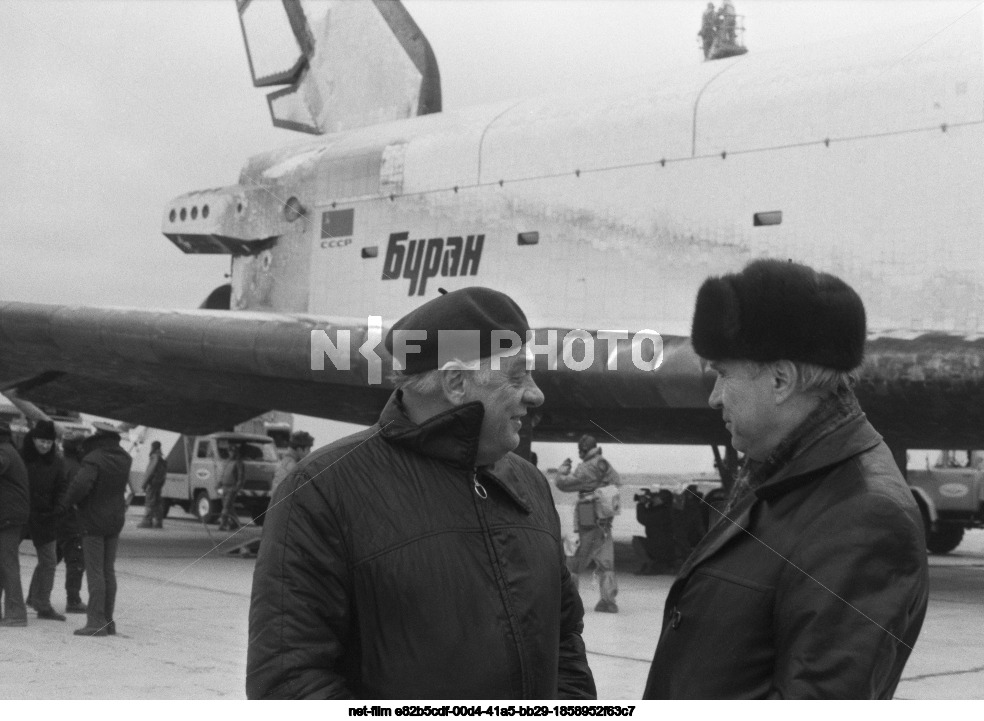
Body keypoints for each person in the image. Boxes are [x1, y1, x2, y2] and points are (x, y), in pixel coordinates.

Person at [247, 286, 596, 699]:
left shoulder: (530, 484)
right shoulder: (320, 491)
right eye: (517, 376)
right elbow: (290, 681)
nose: (536, 394)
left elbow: (564, 639)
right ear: (455, 382)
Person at [643, 259, 929, 699]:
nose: (715, 397)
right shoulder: (781, 472)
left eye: (723, 373)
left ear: (781, 380)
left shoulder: (866, 518)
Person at [59, 421, 133, 637]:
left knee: (95, 572)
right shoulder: (125, 458)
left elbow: (80, 485)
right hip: (115, 519)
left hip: (92, 521)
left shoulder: (94, 459)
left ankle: (95, 622)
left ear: (98, 435)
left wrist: (66, 503)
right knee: (108, 570)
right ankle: (108, 622)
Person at [555, 435, 621, 613]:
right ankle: (608, 601)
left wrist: (563, 470)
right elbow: (617, 482)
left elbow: (563, 484)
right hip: (605, 515)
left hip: (587, 513)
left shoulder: (585, 467)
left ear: (583, 449)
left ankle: (568, 601)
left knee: (576, 558)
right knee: (606, 558)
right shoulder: (603, 463)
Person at [23, 419, 69, 621]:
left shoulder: (57, 462)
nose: (45, 445)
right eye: (41, 441)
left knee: (49, 561)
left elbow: (62, 489)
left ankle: (42, 603)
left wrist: (58, 509)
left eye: (49, 442)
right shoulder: (20, 457)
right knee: (5, 560)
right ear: (33, 439)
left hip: (46, 516)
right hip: (20, 514)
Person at [0, 419, 30, 628]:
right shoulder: (8, 448)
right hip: (9, 514)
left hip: (8, 516)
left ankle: (17, 614)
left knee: (8, 565)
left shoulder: (3, 452)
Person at [56, 434, 87, 614]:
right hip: (72, 521)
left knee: (52, 558)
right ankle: (73, 600)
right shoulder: (77, 468)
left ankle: (35, 594)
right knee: (75, 561)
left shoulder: (60, 463)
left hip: (59, 521)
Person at [269, 430, 314, 499]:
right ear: (299, 450)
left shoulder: (288, 462)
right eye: (308, 449)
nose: (309, 452)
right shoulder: (291, 466)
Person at [137, 440, 167, 529]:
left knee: (149, 502)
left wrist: (144, 484)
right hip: (159, 483)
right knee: (157, 502)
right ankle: (158, 522)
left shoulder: (154, 457)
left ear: (153, 447)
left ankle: (147, 521)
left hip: (152, 483)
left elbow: (150, 471)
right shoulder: (162, 458)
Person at [218, 445, 246, 531]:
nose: (231, 453)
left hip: (232, 487)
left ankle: (223, 524)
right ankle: (236, 523)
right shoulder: (227, 462)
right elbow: (223, 474)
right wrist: (219, 483)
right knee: (228, 507)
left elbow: (241, 476)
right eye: (230, 451)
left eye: (232, 451)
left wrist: (238, 486)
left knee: (226, 506)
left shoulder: (238, 463)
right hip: (224, 487)